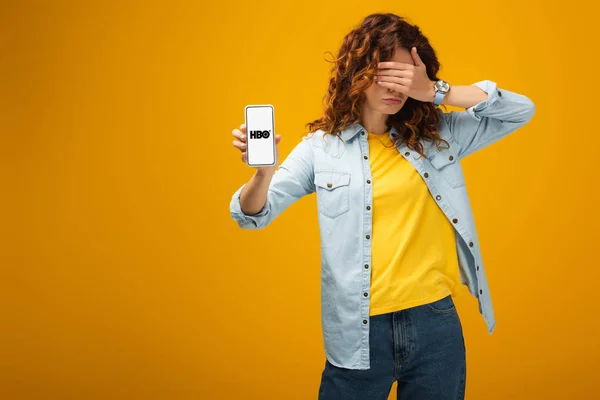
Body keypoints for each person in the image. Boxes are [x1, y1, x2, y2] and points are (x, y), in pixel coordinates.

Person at [229, 12, 535, 400]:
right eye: (387, 72)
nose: (398, 86)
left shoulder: (439, 135)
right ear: (358, 71)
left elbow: (520, 110)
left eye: (408, 76)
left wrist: (436, 91)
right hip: (357, 332)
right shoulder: (321, 149)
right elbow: (251, 215)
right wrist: (262, 173)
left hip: (434, 323)